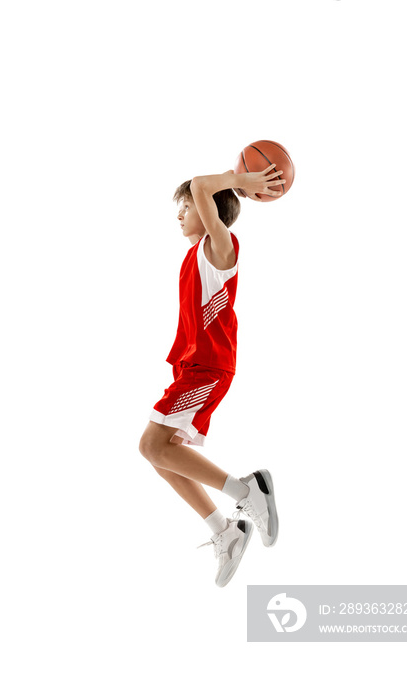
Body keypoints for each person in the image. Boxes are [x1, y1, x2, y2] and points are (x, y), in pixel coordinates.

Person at [139, 164, 285, 587]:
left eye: (185, 206)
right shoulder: (192, 256)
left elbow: (204, 186)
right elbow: (202, 191)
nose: (179, 214)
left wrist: (241, 181)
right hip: (194, 367)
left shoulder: (219, 250)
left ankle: (249, 491)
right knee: (158, 453)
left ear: (211, 213)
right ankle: (226, 531)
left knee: (152, 444)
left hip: (208, 366)